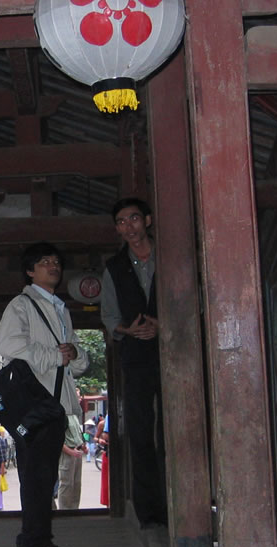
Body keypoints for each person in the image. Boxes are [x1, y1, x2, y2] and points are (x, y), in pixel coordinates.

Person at [0, 242, 88, 547]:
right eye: (45, 261)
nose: (53, 265)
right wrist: (54, 356)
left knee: (43, 475)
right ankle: (34, 540)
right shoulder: (21, 305)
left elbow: (76, 357)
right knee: (37, 475)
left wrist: (74, 354)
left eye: (56, 261)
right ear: (30, 271)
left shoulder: (60, 308)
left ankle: (36, 538)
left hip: (55, 403)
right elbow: (8, 344)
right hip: (35, 403)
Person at [100, 197, 168, 529]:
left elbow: (196, 299)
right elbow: (110, 317)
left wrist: (163, 325)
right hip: (136, 356)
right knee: (140, 432)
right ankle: (149, 513)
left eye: (134, 219)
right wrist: (129, 329)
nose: (129, 227)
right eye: (122, 222)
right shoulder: (114, 267)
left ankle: (180, 504)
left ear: (148, 220)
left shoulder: (170, 256)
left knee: (174, 429)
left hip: (175, 352)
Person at [57, 416, 87, 509]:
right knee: (67, 484)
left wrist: (82, 445)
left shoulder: (74, 416)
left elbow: (77, 434)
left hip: (76, 451)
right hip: (67, 453)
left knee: (76, 484)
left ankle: (74, 510)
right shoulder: (60, 415)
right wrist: (70, 451)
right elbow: (56, 438)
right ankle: (64, 511)